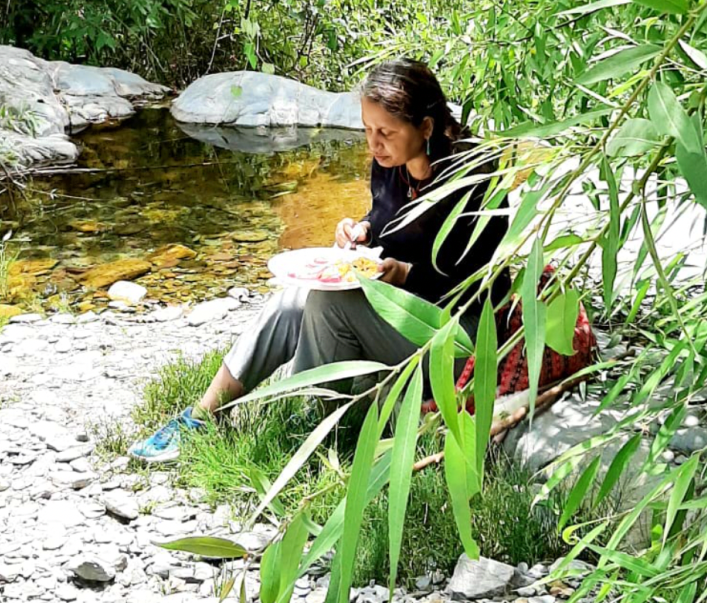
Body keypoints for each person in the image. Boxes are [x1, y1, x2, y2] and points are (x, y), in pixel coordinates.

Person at [129, 58, 510, 464]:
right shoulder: (390, 166)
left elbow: (476, 280)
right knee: (295, 296)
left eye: (385, 132)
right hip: (406, 312)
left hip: (461, 336)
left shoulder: (473, 177)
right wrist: (360, 230)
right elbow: (385, 223)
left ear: (426, 128)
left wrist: (405, 274)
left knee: (330, 303)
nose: (373, 143)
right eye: (367, 129)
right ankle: (204, 417)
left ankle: (311, 434)